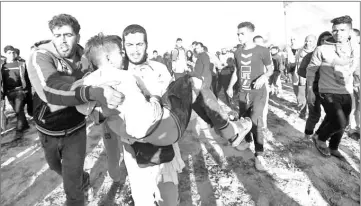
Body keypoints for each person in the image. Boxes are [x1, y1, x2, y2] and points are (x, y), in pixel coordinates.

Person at [119, 24, 252, 205]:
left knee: (169, 198)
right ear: (123, 47)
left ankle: (228, 130)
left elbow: (174, 103)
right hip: (134, 147)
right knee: (143, 200)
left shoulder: (159, 69)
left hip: (163, 142)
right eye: (130, 45)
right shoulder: (118, 74)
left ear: (146, 44)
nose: (134, 50)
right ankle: (229, 130)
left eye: (139, 44)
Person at [26, 14, 124, 206]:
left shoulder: (87, 59)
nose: (62, 40)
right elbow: (50, 90)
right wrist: (90, 91)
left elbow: (110, 70)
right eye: (57, 35)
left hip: (75, 130)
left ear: (78, 37)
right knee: (54, 166)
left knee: (72, 185)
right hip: (48, 129)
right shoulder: (40, 56)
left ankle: (77, 190)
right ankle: (81, 176)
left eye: (68, 34)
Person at [307, 15, 358, 159]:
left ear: (349, 31)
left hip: (346, 90)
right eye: (335, 30)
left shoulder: (354, 48)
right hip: (327, 90)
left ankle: (334, 147)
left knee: (339, 120)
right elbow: (311, 70)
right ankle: (321, 139)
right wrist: (310, 90)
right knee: (340, 122)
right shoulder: (322, 49)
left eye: (342, 30)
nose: (338, 33)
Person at [227, 21, 274, 171]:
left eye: (242, 34)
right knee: (243, 118)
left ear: (251, 33)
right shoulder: (237, 52)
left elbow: (271, 68)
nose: (239, 37)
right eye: (238, 34)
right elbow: (236, 71)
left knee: (256, 121)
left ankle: (259, 154)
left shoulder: (262, 50)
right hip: (243, 93)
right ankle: (246, 141)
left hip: (258, 93)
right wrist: (229, 87)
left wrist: (264, 77)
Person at [298, 31, 332, 139]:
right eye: (323, 40)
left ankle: (319, 135)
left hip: (330, 89)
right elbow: (301, 71)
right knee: (315, 114)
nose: (326, 42)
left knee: (331, 114)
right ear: (319, 41)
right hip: (313, 88)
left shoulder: (335, 55)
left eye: (329, 39)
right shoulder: (310, 55)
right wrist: (314, 74)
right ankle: (308, 135)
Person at [1, 45, 31, 139]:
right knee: (17, 110)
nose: (12, 54)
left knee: (19, 110)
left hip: (19, 91)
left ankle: (19, 130)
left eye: (13, 52)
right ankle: (25, 125)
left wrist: (28, 90)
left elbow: (27, 77)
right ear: (5, 54)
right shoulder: (2, 66)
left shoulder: (21, 64)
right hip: (8, 92)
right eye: (9, 53)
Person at [294, 35, 317, 119]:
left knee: (312, 97)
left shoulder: (318, 50)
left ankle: (312, 114)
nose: (308, 43)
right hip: (302, 76)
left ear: (315, 41)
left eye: (310, 41)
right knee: (301, 96)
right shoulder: (300, 51)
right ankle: (302, 112)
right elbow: (297, 64)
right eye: (306, 41)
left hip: (314, 77)